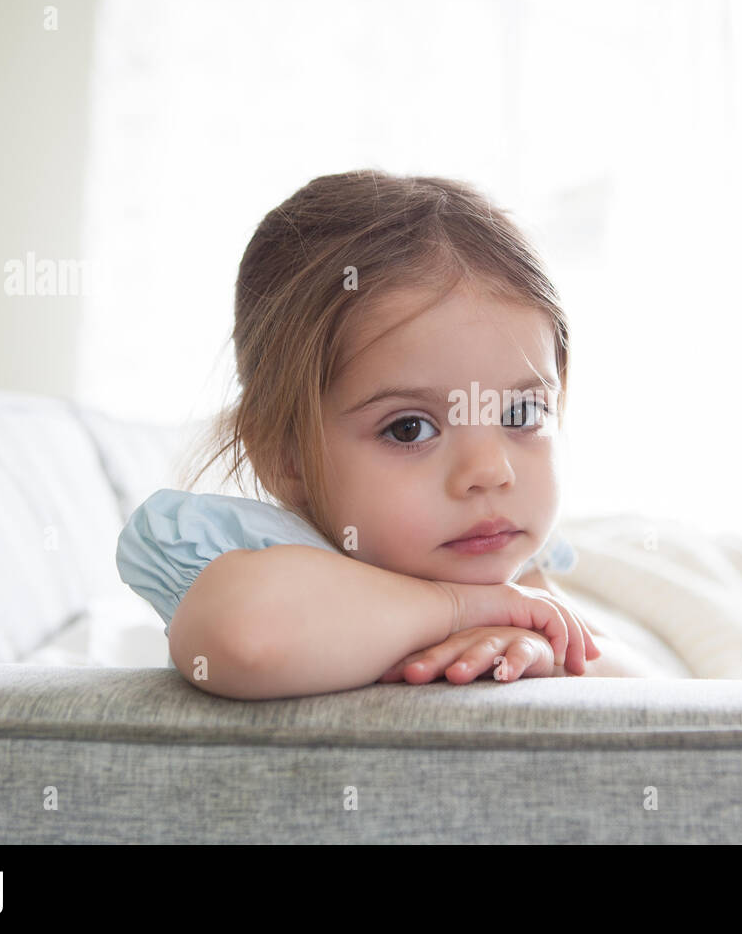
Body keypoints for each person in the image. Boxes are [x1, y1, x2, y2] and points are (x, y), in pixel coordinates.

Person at [115, 170, 661, 699]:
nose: (491, 471)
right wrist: (456, 610)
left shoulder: (505, 560)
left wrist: (552, 658)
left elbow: (661, 692)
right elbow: (247, 639)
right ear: (287, 455)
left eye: (520, 414)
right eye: (410, 428)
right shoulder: (268, 558)